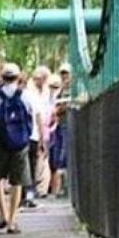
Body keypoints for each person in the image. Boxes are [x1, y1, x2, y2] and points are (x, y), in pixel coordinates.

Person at [0, 62, 34, 234]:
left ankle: (3, 215)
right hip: (20, 145)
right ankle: (12, 221)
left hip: (0, 143)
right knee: (16, 182)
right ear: (19, 78)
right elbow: (31, 118)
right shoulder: (25, 96)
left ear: (1, 78)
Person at [21, 65, 50, 208]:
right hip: (32, 136)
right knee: (31, 167)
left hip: (16, 138)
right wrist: (41, 138)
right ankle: (29, 196)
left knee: (18, 168)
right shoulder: (32, 97)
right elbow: (38, 117)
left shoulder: (11, 96)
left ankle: (20, 197)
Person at [49, 62, 73, 196]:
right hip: (60, 125)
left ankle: (66, 189)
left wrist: (59, 109)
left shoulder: (75, 88)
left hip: (69, 125)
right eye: (62, 73)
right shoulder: (61, 90)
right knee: (59, 156)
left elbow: (74, 102)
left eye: (66, 73)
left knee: (65, 154)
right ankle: (63, 189)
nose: (64, 76)